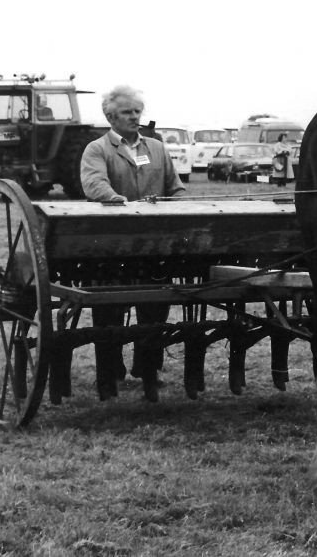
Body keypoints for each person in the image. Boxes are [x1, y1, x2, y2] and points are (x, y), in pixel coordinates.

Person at [80, 85, 186, 402]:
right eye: (128, 112)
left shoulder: (155, 148)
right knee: (108, 316)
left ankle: (148, 374)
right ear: (111, 117)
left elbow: (175, 187)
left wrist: (180, 206)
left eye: (138, 111)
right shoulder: (96, 150)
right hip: (113, 249)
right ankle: (107, 378)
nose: (135, 117)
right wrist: (120, 203)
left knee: (154, 314)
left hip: (155, 249)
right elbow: (94, 184)